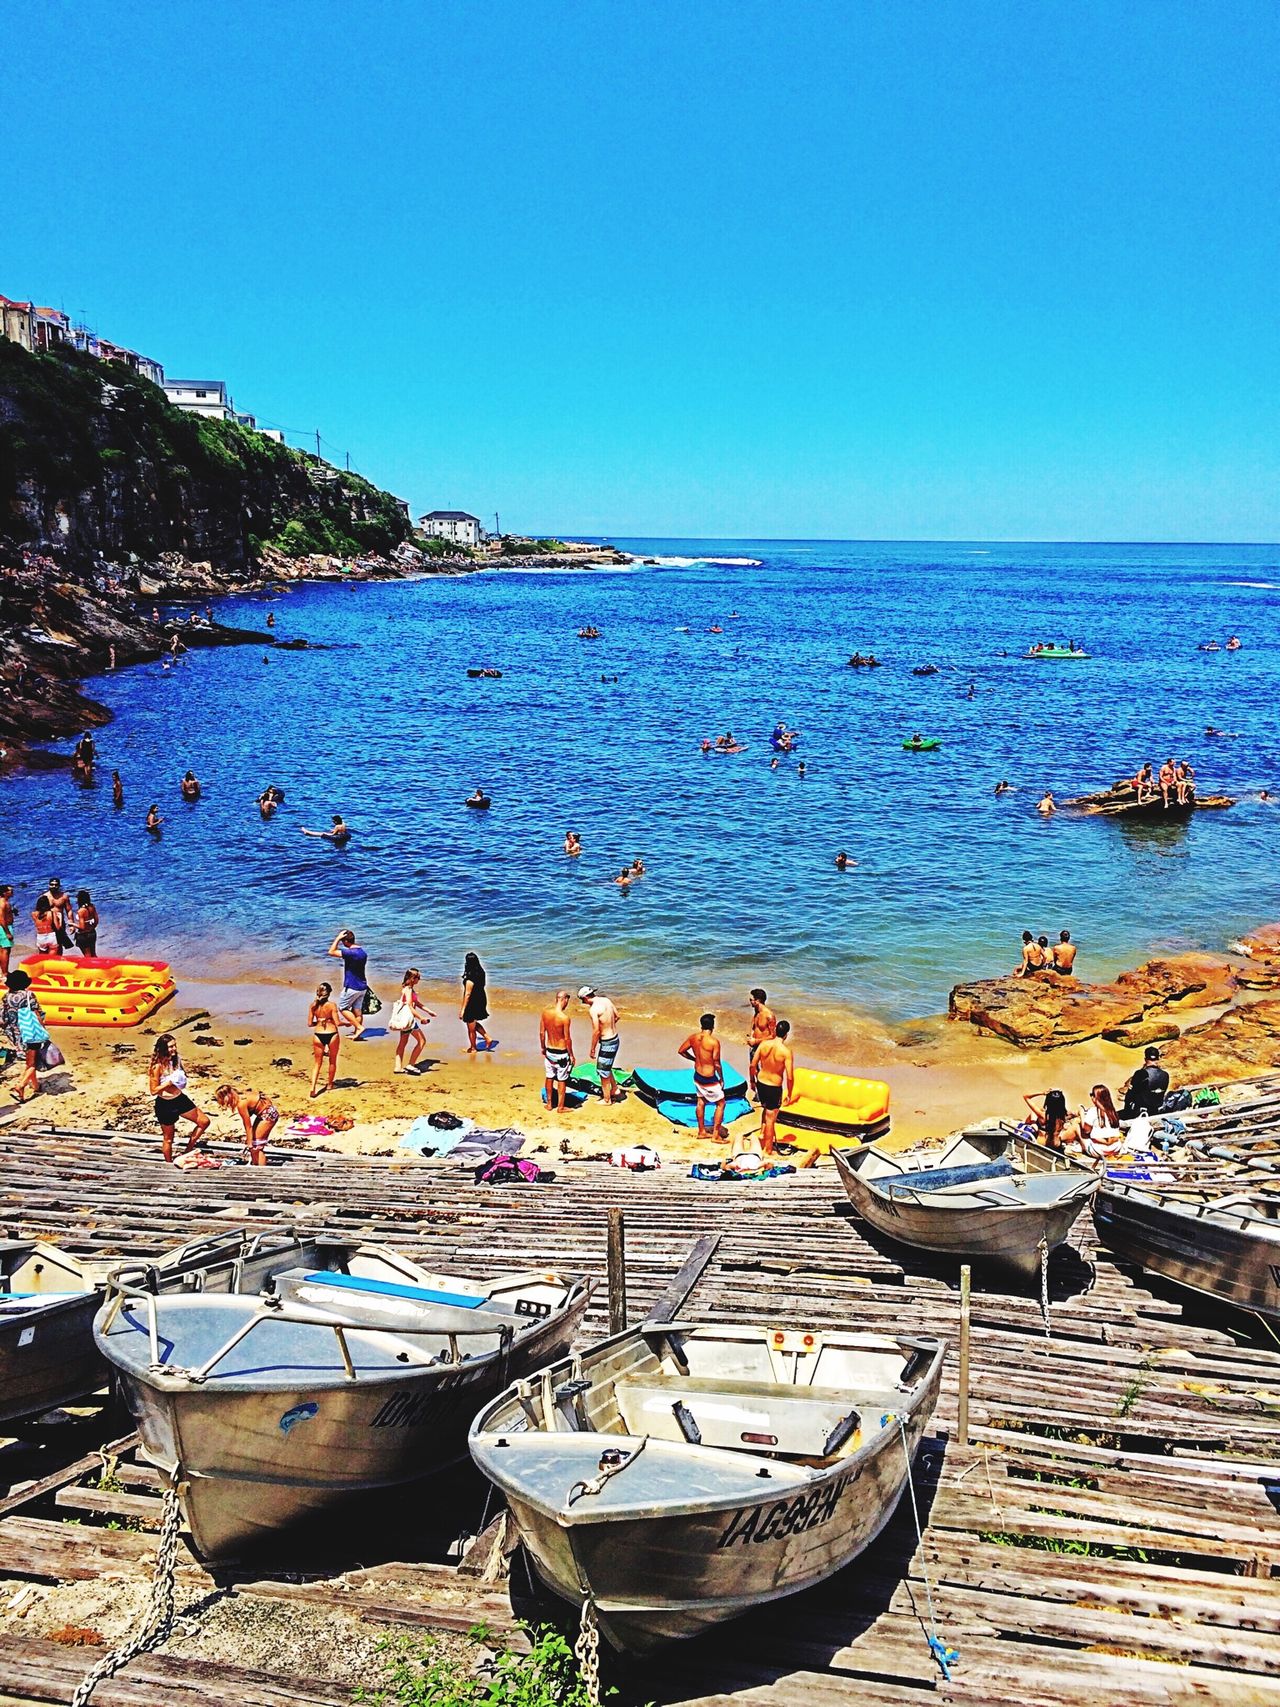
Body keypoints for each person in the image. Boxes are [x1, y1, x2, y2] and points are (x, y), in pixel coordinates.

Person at [148, 1033, 210, 1163]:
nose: (174, 1049)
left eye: (175, 1045)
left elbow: (181, 1076)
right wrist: (168, 1083)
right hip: (165, 1104)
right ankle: (169, 1163)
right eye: (171, 1047)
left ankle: (188, 1150)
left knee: (204, 1121)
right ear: (163, 1048)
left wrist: (180, 1080)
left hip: (179, 1099)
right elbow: (153, 1091)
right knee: (168, 1138)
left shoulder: (176, 1060)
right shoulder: (157, 1066)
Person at [3, 971, 50, 1104]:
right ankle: (20, 1085)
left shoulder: (6, 997)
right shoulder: (28, 995)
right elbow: (37, 1013)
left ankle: (36, 1087)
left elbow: (3, 1018)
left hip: (16, 1034)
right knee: (32, 1064)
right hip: (30, 1032)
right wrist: (43, 1030)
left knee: (30, 1061)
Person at [678, 1012, 727, 1141]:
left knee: (701, 1101)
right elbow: (716, 1063)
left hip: (698, 1075)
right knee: (721, 1103)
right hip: (709, 1078)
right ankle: (716, 1135)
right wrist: (721, 1078)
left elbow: (681, 1051)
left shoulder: (693, 1038)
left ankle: (701, 1131)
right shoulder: (714, 1042)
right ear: (713, 1026)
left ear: (701, 1025)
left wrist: (694, 1059)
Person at [751, 1020, 795, 1154]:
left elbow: (753, 1064)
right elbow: (790, 1076)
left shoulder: (764, 1044)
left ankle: (762, 1134)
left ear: (775, 1031)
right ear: (786, 1035)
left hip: (761, 1082)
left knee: (765, 1109)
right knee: (771, 1118)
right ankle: (768, 1149)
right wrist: (790, 1093)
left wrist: (752, 1081)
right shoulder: (786, 1052)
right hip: (774, 1087)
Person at [215, 1084, 277, 1166]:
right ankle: (256, 1167)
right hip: (269, 1112)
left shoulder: (241, 1104)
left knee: (256, 1147)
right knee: (254, 1145)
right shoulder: (244, 1096)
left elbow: (248, 1126)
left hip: (267, 1115)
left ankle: (262, 1172)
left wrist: (249, 1142)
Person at [307, 981, 351, 1097]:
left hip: (318, 1034)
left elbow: (310, 1024)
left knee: (317, 1063)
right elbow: (337, 1022)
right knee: (332, 1060)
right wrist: (346, 1024)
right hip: (332, 1034)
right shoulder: (332, 1005)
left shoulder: (313, 1005)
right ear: (329, 993)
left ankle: (313, 1087)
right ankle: (330, 1084)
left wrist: (319, 1021)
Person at [579, 984, 621, 1102]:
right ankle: (615, 1089)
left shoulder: (593, 1010)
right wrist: (609, 1026)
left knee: (602, 1071)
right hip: (615, 1038)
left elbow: (596, 1031)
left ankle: (607, 1099)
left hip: (607, 1042)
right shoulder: (606, 1000)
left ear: (585, 998)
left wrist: (592, 1048)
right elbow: (617, 1016)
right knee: (607, 1066)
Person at [328, 928, 370, 1040]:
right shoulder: (362, 952)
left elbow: (331, 952)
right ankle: (357, 1033)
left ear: (346, 941)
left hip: (352, 986)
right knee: (357, 1011)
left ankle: (359, 1027)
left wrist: (337, 938)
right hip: (362, 986)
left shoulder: (350, 953)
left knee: (343, 1008)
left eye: (343, 942)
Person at [390, 967, 434, 1075]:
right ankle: (411, 1064)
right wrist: (421, 1018)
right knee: (422, 1041)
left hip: (406, 1020)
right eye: (418, 977)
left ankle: (398, 1067)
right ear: (412, 978)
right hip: (409, 1021)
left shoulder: (408, 988)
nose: (419, 979)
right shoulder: (408, 990)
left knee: (403, 1043)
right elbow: (410, 1005)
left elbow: (417, 1003)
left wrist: (428, 1011)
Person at [539, 989, 575, 1112]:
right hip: (561, 1054)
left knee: (549, 1076)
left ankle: (549, 1104)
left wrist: (543, 1048)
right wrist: (571, 1055)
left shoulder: (545, 1013)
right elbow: (567, 1039)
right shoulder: (564, 1018)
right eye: (567, 1001)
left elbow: (542, 1033)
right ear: (564, 999)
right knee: (561, 1079)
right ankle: (560, 1107)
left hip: (549, 1052)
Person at [1077, 1084, 1124, 1160]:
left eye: (1092, 1095)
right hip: (1115, 1148)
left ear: (1096, 1098)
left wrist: (1081, 1113)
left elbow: (1086, 1130)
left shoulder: (1093, 1111)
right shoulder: (1112, 1111)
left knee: (1077, 1127)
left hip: (1098, 1151)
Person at [1122, 1046, 1170, 1120]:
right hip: (1156, 1110)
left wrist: (1126, 1112)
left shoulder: (1141, 1073)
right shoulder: (1165, 1075)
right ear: (1158, 1058)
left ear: (1145, 1059)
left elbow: (1131, 1094)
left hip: (1141, 1112)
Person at [461, 951, 492, 1051]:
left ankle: (473, 1047)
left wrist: (462, 1010)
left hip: (472, 1002)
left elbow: (468, 994)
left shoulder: (470, 978)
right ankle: (486, 1037)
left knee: (470, 1027)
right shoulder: (481, 973)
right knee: (473, 1022)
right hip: (481, 999)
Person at [746, 988, 776, 1064]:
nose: (750, 1002)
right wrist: (751, 1037)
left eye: (751, 1000)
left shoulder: (769, 1016)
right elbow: (754, 1025)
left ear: (757, 1001)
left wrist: (756, 1041)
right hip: (754, 1046)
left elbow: (773, 1036)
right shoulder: (757, 1011)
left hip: (764, 1048)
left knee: (763, 1071)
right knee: (753, 1068)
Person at [46, 879, 74, 951]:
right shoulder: (44, 897)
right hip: (48, 925)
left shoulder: (64, 897)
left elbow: (69, 910)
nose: (54, 886)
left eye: (56, 885)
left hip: (60, 924)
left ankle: (58, 960)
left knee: (59, 945)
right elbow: (39, 912)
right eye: (52, 884)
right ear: (49, 885)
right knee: (49, 945)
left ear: (59, 886)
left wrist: (71, 924)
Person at [74, 890, 99, 957]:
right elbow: (96, 920)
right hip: (92, 933)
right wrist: (91, 927)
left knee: (87, 954)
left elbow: (82, 927)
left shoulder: (81, 911)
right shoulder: (92, 907)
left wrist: (72, 924)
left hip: (83, 935)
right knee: (93, 954)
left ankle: (90, 967)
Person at [0, 886, 14, 978]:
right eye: (10, 890)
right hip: (4, 928)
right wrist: (7, 932)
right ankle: (5, 973)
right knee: (5, 950)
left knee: (2, 949)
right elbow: (1, 918)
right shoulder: (2, 903)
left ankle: (3, 972)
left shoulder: (5, 902)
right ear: (5, 892)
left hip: (4, 927)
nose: (12, 892)